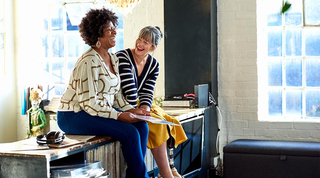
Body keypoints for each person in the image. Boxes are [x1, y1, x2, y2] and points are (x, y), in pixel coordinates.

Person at [57, 8, 150, 178]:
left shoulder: (112, 58)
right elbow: (89, 103)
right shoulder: (89, 61)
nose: (115, 31)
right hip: (73, 115)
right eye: (109, 29)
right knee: (130, 133)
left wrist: (131, 110)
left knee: (142, 126)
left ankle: (135, 175)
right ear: (98, 35)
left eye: (114, 27)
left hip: (92, 111)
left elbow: (115, 95)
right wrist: (119, 116)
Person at [116, 26, 187, 178]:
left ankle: (169, 169)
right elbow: (129, 91)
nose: (140, 44)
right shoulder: (123, 56)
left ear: (153, 47)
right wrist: (140, 111)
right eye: (139, 39)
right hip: (121, 105)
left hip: (137, 105)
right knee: (156, 124)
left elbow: (147, 91)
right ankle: (167, 172)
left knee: (164, 121)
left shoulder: (153, 64)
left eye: (146, 42)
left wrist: (145, 108)